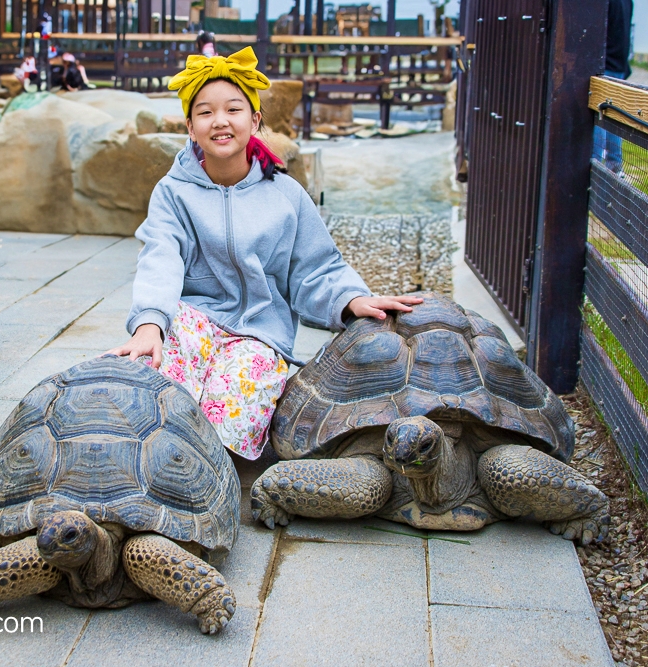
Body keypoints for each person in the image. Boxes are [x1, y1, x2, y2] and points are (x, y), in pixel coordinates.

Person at [105, 47, 422, 460]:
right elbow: (160, 256)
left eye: (233, 109)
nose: (219, 121)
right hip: (193, 319)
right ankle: (140, 460)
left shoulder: (286, 195)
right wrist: (150, 323)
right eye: (205, 112)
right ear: (190, 126)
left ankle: (200, 472)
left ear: (254, 120)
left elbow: (316, 266)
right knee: (150, 383)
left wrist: (350, 299)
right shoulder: (172, 192)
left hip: (259, 332)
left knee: (231, 409)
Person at [594, 0, 633, 174]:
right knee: (614, 117)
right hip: (618, 64)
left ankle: (595, 163)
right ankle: (614, 166)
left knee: (599, 117)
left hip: (605, 64)